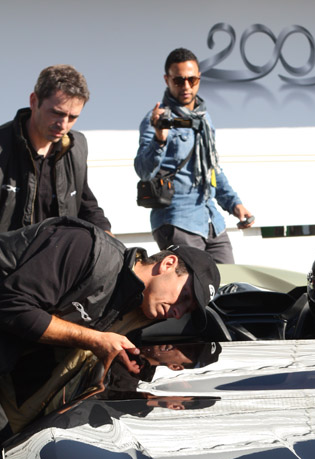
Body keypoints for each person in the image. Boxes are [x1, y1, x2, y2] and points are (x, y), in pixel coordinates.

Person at [0, 216, 220, 376]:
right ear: (168, 263)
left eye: (187, 311)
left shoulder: (135, 312)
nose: (177, 312)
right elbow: (12, 306)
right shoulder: (85, 248)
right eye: (184, 297)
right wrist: (94, 340)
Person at [134, 47, 254, 264]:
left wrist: (234, 204)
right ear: (167, 80)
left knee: (230, 287)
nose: (186, 86)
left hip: (211, 220)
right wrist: (160, 138)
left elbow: (213, 169)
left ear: (199, 78)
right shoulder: (157, 119)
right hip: (177, 220)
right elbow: (143, 170)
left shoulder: (204, 118)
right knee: (195, 291)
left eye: (192, 79)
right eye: (179, 81)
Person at [0, 65, 111, 233]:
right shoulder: (4, 146)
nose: (63, 125)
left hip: (58, 256)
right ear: (33, 101)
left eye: (73, 117)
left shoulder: (76, 146)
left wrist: (111, 241)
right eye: (57, 113)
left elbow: (85, 204)